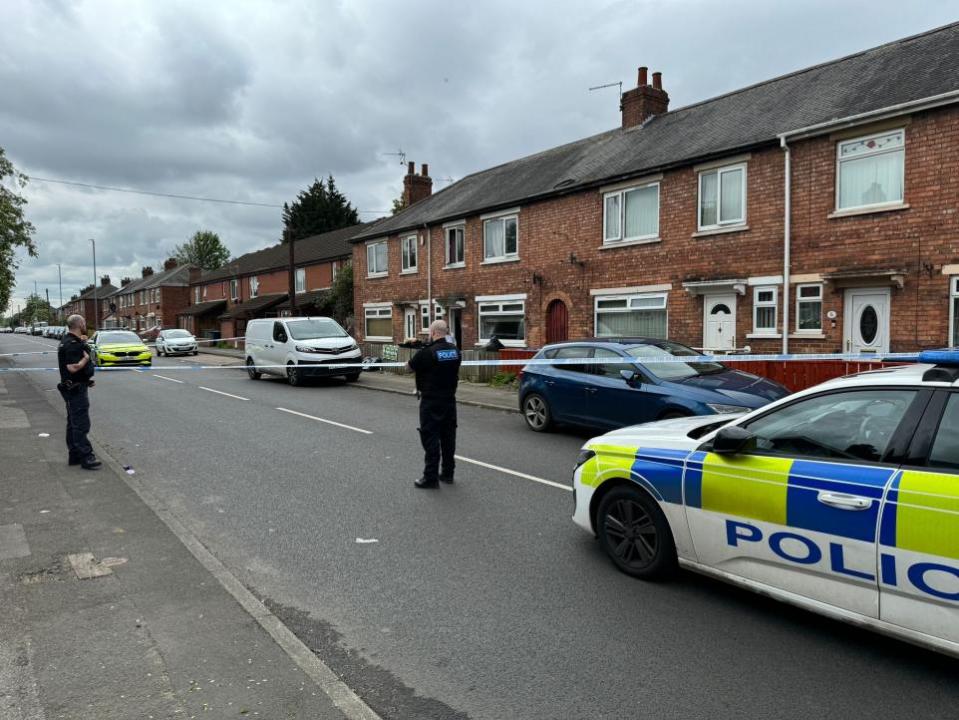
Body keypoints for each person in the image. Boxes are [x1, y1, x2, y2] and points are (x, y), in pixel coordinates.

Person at [407, 319, 461, 488]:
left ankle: (430, 478)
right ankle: (447, 473)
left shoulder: (427, 353)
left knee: (430, 438)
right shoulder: (455, 351)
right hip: (449, 400)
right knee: (448, 438)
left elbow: (409, 367)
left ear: (433, 333)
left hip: (431, 401)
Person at [57, 314, 100, 470]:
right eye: (84, 322)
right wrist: (86, 359)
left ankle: (74, 455)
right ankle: (86, 457)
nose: (85, 324)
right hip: (75, 390)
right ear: (79, 324)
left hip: (73, 386)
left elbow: (73, 371)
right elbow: (72, 367)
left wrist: (86, 380)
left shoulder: (66, 341)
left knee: (73, 423)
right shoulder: (72, 344)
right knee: (81, 424)